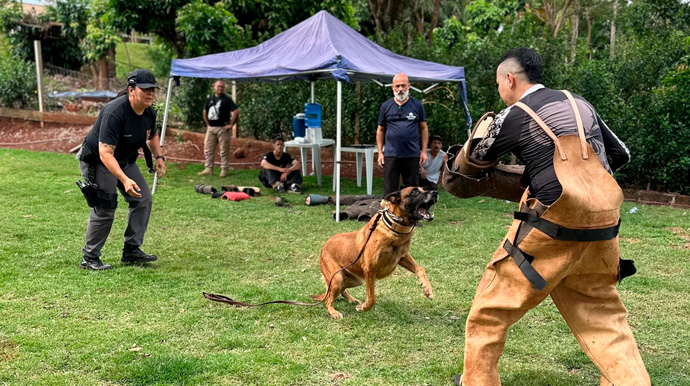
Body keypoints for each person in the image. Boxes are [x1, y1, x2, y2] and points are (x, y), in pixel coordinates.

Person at [453, 48, 650, 386]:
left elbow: (469, 166)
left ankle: (477, 381)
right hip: (604, 225)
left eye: (499, 83)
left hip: (552, 224)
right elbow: (620, 154)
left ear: (510, 79)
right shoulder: (580, 104)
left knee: (490, 310)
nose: (499, 89)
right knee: (603, 315)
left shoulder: (512, 114)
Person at [76, 69, 166, 270]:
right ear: (131, 90)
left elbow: (152, 136)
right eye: (145, 89)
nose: (150, 93)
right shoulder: (114, 112)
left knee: (143, 199)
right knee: (105, 207)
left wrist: (159, 157)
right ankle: (89, 258)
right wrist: (125, 180)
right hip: (98, 161)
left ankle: (132, 251)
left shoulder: (149, 111)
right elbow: (105, 153)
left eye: (152, 89)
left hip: (124, 160)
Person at [376, 73, 429, 196]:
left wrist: (424, 151)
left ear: (409, 86)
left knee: (412, 192)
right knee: (390, 191)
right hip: (391, 155)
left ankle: (411, 215)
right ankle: (389, 214)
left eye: (403, 86)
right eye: (397, 86)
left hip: (411, 154)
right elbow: (380, 130)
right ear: (393, 87)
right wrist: (380, 152)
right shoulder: (386, 106)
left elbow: (424, 128)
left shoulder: (417, 105)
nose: (400, 89)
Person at [198, 80, 240, 178]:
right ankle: (208, 168)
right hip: (211, 128)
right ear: (214, 87)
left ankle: (224, 169)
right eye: (218, 86)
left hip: (223, 128)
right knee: (208, 148)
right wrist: (207, 124)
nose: (220, 88)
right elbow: (205, 111)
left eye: (222, 87)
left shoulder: (227, 99)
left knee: (224, 150)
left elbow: (236, 111)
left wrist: (231, 124)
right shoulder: (210, 99)